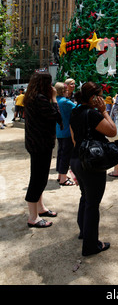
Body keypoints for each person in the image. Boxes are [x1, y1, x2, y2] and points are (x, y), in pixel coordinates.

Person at [69, 82, 116, 256]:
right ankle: (91, 245)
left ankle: (84, 231)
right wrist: (104, 111)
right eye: (101, 95)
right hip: (91, 164)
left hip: (77, 159)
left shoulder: (75, 111)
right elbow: (112, 131)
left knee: (85, 197)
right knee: (92, 204)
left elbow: (74, 138)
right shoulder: (93, 114)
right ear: (93, 98)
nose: (103, 99)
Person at [24, 72, 63, 228]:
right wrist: (54, 98)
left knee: (40, 177)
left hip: (36, 143)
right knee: (37, 179)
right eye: (49, 83)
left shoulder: (32, 97)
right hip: (41, 145)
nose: (51, 86)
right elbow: (57, 117)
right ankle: (33, 217)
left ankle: (40, 208)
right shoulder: (40, 99)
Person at [55, 82, 76, 186]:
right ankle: (63, 178)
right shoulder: (65, 102)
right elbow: (78, 108)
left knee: (60, 153)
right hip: (67, 132)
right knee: (66, 155)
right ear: (63, 91)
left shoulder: (56, 101)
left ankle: (60, 175)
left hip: (59, 131)